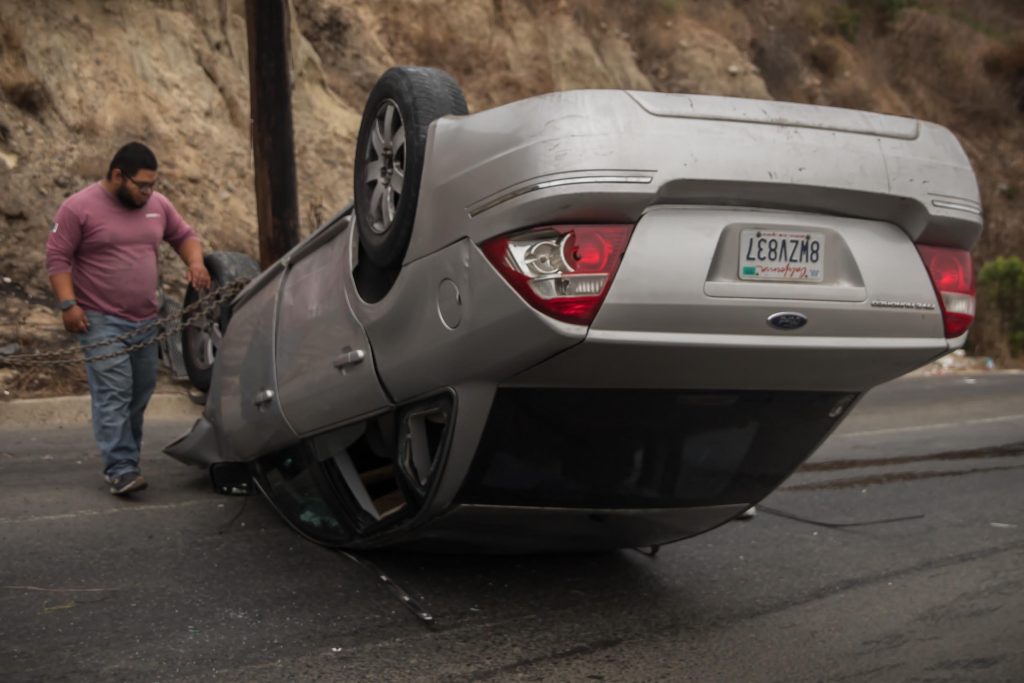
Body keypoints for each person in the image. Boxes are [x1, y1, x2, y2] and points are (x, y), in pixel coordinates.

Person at [45, 142, 211, 495]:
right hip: (100, 320)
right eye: (142, 185)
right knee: (113, 393)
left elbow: (184, 236)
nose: (149, 192)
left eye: (153, 184)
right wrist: (68, 305)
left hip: (147, 321)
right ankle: (120, 467)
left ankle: (126, 460)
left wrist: (195, 263)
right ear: (118, 175)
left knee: (139, 393)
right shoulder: (78, 208)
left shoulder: (157, 205)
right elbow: (57, 257)